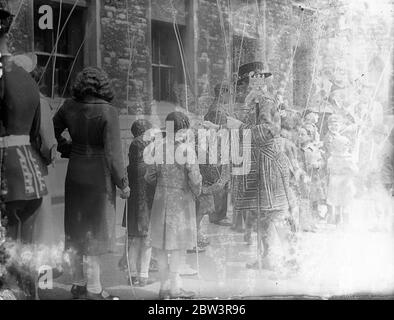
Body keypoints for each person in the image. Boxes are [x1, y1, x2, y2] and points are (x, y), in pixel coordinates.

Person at [53, 67, 130, 300]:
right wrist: (123, 183)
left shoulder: (68, 106)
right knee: (96, 231)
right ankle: (95, 289)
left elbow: (51, 130)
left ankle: (78, 283)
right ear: (103, 85)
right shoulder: (109, 112)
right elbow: (114, 153)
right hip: (99, 177)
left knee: (76, 229)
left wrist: (68, 148)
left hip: (75, 172)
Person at [226, 88, 296, 272]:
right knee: (261, 216)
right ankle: (266, 258)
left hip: (269, 166)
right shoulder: (254, 103)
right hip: (258, 165)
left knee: (276, 214)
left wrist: (239, 127)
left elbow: (268, 131)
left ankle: (292, 259)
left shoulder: (266, 101)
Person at [0, 4, 48, 244]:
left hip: (6, 176)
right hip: (31, 177)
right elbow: (36, 130)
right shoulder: (28, 79)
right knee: (26, 252)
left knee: (7, 256)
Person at [145, 111, 202, 299]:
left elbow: (149, 176)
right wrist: (197, 190)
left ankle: (164, 288)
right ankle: (176, 288)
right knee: (178, 246)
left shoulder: (156, 147)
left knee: (161, 247)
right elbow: (194, 178)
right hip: (181, 201)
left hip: (161, 201)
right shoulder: (186, 149)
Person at [120, 119, 156, 287]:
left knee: (133, 241)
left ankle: (132, 275)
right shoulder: (150, 168)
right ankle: (143, 275)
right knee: (147, 242)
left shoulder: (130, 168)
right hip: (147, 209)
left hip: (133, 209)